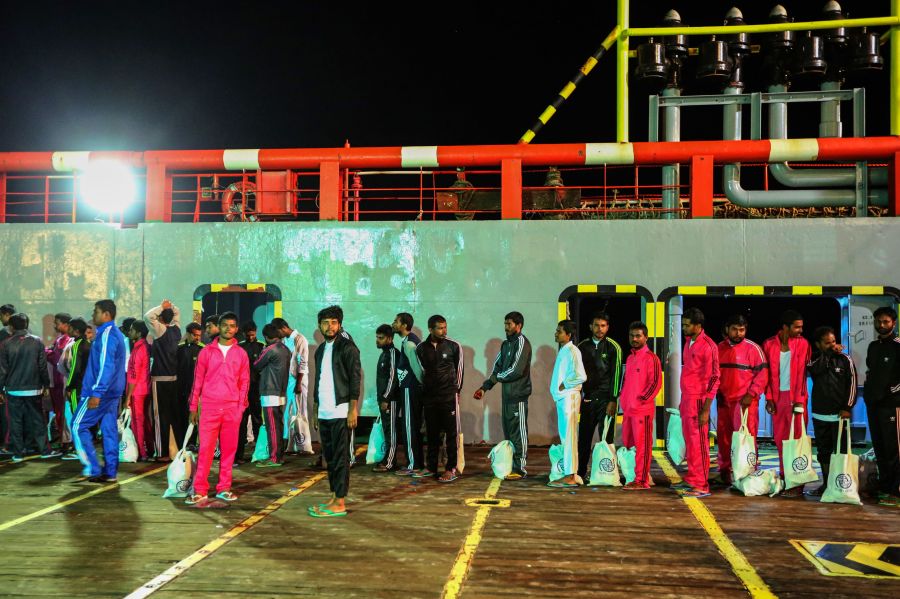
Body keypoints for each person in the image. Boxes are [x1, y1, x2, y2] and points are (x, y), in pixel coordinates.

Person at [186, 312, 249, 506]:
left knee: (229, 450)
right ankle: (200, 490)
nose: (228, 329)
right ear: (218, 327)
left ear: (236, 329)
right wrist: (193, 407)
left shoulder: (241, 353)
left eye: (232, 325)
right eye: (224, 325)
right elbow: (197, 381)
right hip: (210, 407)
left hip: (232, 408)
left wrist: (240, 407)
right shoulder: (206, 352)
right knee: (205, 450)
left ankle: (224, 488)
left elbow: (245, 382)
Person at [309, 305, 360, 517]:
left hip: (341, 411)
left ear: (339, 325)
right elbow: (319, 381)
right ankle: (334, 497)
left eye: (333, 322)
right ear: (319, 325)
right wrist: (315, 409)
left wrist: (352, 409)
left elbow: (355, 379)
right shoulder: (321, 350)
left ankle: (340, 502)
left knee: (340, 459)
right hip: (325, 411)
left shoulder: (348, 348)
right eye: (325, 322)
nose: (329, 326)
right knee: (330, 458)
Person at [71, 300, 127, 482]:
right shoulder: (113, 334)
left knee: (78, 425)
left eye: (96, 311)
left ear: (106, 314)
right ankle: (110, 472)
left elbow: (106, 366)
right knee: (109, 431)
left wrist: (97, 392)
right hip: (111, 392)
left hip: (101, 393)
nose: (93, 315)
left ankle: (93, 468)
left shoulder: (107, 335)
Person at [474, 311, 532, 480]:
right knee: (509, 433)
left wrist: (497, 378)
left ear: (518, 326)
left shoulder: (522, 342)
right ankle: (510, 467)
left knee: (518, 433)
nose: (506, 327)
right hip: (507, 397)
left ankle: (520, 469)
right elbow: (497, 367)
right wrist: (485, 387)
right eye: (505, 324)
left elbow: (516, 370)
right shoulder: (506, 344)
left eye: (509, 324)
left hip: (518, 396)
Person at [763, 309, 812, 497]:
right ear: (785, 327)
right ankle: (786, 479)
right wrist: (768, 398)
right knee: (781, 441)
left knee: (797, 441)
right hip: (777, 399)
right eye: (797, 327)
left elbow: (802, 376)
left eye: (801, 327)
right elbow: (767, 375)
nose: (800, 330)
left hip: (797, 399)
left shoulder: (804, 344)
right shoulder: (768, 344)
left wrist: (800, 401)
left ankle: (797, 484)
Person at [714, 314, 768, 486]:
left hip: (745, 403)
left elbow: (762, 375)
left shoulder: (754, 349)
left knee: (747, 438)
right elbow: (713, 375)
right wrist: (716, 393)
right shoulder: (718, 348)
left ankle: (748, 473)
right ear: (727, 330)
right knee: (724, 438)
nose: (738, 333)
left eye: (742, 330)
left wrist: (751, 394)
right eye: (735, 329)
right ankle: (725, 472)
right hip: (724, 402)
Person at [807, 326, 857, 497]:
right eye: (827, 343)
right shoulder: (814, 359)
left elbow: (852, 384)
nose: (832, 345)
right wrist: (827, 354)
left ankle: (840, 485)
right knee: (823, 451)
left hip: (839, 415)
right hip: (819, 413)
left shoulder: (845, 359)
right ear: (818, 345)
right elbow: (815, 370)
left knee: (841, 451)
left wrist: (847, 407)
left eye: (834, 341)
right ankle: (826, 484)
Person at [415, 314, 464, 483]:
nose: (444, 331)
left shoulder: (454, 346)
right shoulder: (421, 348)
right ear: (431, 329)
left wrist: (455, 393)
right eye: (440, 328)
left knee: (451, 434)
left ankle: (451, 468)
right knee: (432, 434)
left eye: (445, 327)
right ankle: (431, 467)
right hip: (430, 398)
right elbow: (423, 371)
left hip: (448, 396)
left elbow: (459, 370)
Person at [0, 313, 55, 462]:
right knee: (38, 420)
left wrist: (0, 389)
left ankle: (17, 453)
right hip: (34, 388)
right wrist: (46, 384)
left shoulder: (5, 343)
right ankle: (44, 450)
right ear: (27, 324)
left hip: (13, 389)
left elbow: (2, 369)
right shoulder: (37, 342)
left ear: (11, 326)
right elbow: (42, 366)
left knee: (15, 421)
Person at [677, 308, 720, 498]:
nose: (683, 328)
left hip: (699, 401)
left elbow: (714, 378)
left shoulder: (708, 346)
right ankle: (693, 478)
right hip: (687, 398)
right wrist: (682, 400)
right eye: (683, 324)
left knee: (699, 443)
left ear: (698, 325)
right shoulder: (689, 343)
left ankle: (702, 485)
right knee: (690, 442)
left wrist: (706, 408)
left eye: (687, 325)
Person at [576, 311, 622, 481]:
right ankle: (580, 473)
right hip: (588, 398)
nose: (600, 329)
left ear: (608, 327)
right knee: (584, 440)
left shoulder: (613, 347)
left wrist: (613, 399)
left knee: (606, 439)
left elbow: (617, 375)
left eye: (603, 326)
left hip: (606, 400)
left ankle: (606, 474)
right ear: (591, 327)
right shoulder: (581, 346)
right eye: (596, 325)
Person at [863, 306, 900, 505]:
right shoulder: (873, 346)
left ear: (894, 323)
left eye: (886, 321)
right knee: (880, 447)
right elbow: (871, 371)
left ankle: (897, 490)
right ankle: (885, 486)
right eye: (878, 321)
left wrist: (891, 391)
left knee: (894, 448)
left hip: (892, 405)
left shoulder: (898, 345)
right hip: (874, 404)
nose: (881, 325)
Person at [620, 321, 662, 490]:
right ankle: (637, 475)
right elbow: (626, 383)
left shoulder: (651, 358)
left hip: (642, 410)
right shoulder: (630, 358)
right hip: (629, 410)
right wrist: (624, 401)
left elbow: (656, 383)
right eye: (632, 336)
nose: (634, 339)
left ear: (646, 337)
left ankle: (641, 480)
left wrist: (641, 399)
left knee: (643, 446)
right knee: (629, 444)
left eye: (638, 336)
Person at [548, 319, 587, 488]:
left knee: (570, 437)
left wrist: (566, 384)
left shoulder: (573, 351)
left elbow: (581, 376)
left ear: (568, 335)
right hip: (563, 398)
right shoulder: (564, 350)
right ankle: (571, 474)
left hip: (569, 397)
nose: (556, 333)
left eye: (559, 331)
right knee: (566, 437)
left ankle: (571, 476)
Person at [145, 300, 182, 460]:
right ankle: (176, 450)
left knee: (160, 417)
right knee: (173, 415)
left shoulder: (160, 330)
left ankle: (162, 453)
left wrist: (161, 306)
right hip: (174, 380)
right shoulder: (177, 331)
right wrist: (171, 306)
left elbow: (147, 317)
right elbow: (177, 313)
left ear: (160, 319)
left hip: (159, 380)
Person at [253, 324, 291, 468]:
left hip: (270, 391)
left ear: (266, 336)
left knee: (272, 427)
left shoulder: (269, 349)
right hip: (281, 391)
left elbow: (256, 364)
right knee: (278, 426)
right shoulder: (286, 349)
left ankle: (274, 458)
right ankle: (278, 456)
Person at [271, 317, 311, 455]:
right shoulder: (283, 340)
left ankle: (302, 445)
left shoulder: (300, 339)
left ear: (283, 328)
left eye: (277, 332)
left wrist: (299, 383)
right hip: (287, 380)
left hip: (297, 380)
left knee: (299, 411)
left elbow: (303, 363)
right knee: (288, 413)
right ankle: (289, 444)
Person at [391, 312, 424, 475]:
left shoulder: (410, 344)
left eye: (396, 321)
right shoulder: (408, 342)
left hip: (410, 390)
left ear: (404, 326)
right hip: (409, 389)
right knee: (411, 427)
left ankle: (414, 465)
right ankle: (415, 462)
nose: (393, 324)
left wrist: (420, 387)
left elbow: (418, 370)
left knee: (410, 427)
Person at [373, 324, 403, 472]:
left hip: (390, 401)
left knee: (391, 431)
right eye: (377, 337)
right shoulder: (384, 353)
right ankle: (388, 459)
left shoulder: (392, 354)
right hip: (384, 400)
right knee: (387, 430)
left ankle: (390, 462)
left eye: (381, 338)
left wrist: (386, 398)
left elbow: (393, 378)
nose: (377, 340)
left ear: (390, 338)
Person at [62, 317, 91, 460]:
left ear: (76, 330)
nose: (68, 329)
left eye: (70, 327)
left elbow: (75, 368)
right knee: (84, 418)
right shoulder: (88, 344)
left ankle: (78, 449)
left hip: (77, 387)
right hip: (87, 387)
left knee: (76, 419)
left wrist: (69, 386)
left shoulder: (77, 345)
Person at [124, 321, 153, 461]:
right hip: (145, 389)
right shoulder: (146, 347)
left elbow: (133, 376)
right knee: (145, 421)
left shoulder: (138, 349)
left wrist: (128, 396)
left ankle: (142, 453)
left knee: (137, 422)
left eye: (132, 330)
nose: (129, 332)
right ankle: (149, 449)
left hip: (137, 392)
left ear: (139, 333)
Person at [237, 320, 264, 463]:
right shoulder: (239, 347)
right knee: (241, 422)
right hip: (242, 390)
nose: (251, 337)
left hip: (256, 389)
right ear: (243, 333)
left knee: (257, 421)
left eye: (253, 334)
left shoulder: (262, 346)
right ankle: (239, 454)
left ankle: (259, 452)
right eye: (248, 335)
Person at [46, 312, 71, 448]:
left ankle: (65, 443)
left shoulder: (66, 340)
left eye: (57, 323)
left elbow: (56, 358)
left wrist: (47, 352)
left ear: (65, 324)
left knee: (62, 412)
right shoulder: (61, 339)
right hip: (57, 380)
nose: (55, 325)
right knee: (59, 412)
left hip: (61, 380)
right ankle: (64, 441)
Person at [0, 303, 15, 454]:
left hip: (8, 382)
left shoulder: (5, 337)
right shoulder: (28, 337)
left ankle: (7, 444)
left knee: (7, 415)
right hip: (16, 382)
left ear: (7, 315)